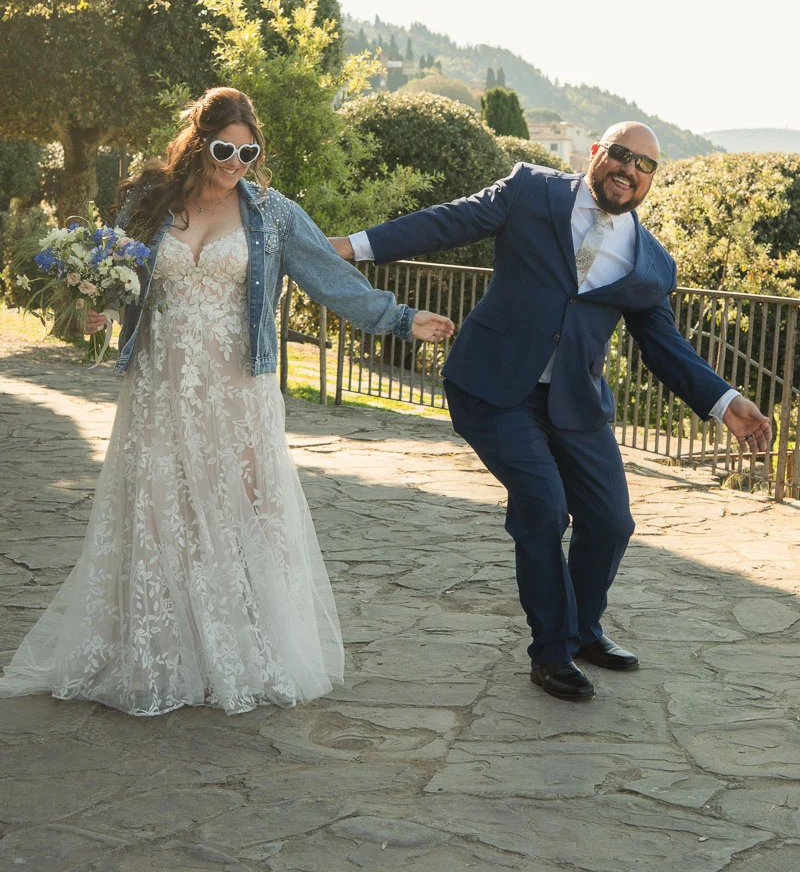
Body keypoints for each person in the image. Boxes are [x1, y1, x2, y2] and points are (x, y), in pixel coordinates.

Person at [0, 88, 453, 716]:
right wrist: (95, 307)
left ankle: (240, 653)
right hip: (159, 383)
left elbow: (329, 277)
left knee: (239, 509)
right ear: (197, 142)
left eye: (248, 152)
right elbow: (117, 278)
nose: (236, 163)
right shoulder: (148, 200)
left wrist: (401, 319)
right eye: (223, 150)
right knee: (158, 509)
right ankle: (160, 653)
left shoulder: (272, 212)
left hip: (238, 387)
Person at [329, 122, 771, 702]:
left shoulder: (651, 264)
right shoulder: (530, 189)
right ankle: (552, 653)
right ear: (596, 153)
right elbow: (448, 221)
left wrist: (725, 401)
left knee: (611, 522)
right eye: (621, 155)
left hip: (574, 402)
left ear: (651, 179)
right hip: (494, 386)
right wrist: (352, 247)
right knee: (543, 508)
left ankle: (583, 630)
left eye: (644, 165)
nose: (630, 169)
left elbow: (665, 346)